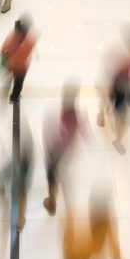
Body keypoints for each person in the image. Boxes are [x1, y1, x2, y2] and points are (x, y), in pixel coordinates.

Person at [42, 85, 89, 215]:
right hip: (69, 153)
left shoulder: (55, 115)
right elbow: (85, 134)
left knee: (52, 177)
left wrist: (48, 150)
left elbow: (48, 134)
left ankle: (52, 204)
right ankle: (69, 205)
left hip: (55, 154)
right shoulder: (79, 115)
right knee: (65, 175)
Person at [97, 39, 130, 154]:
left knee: (123, 120)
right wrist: (110, 102)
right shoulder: (122, 67)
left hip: (121, 94)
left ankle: (115, 136)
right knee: (107, 105)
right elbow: (110, 86)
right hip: (116, 93)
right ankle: (102, 117)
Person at [0, 16, 37, 104]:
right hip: (20, 67)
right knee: (18, 83)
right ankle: (14, 97)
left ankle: (5, 91)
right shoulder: (28, 41)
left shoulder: (12, 37)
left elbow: (4, 47)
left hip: (10, 64)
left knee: (9, 78)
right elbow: (27, 53)